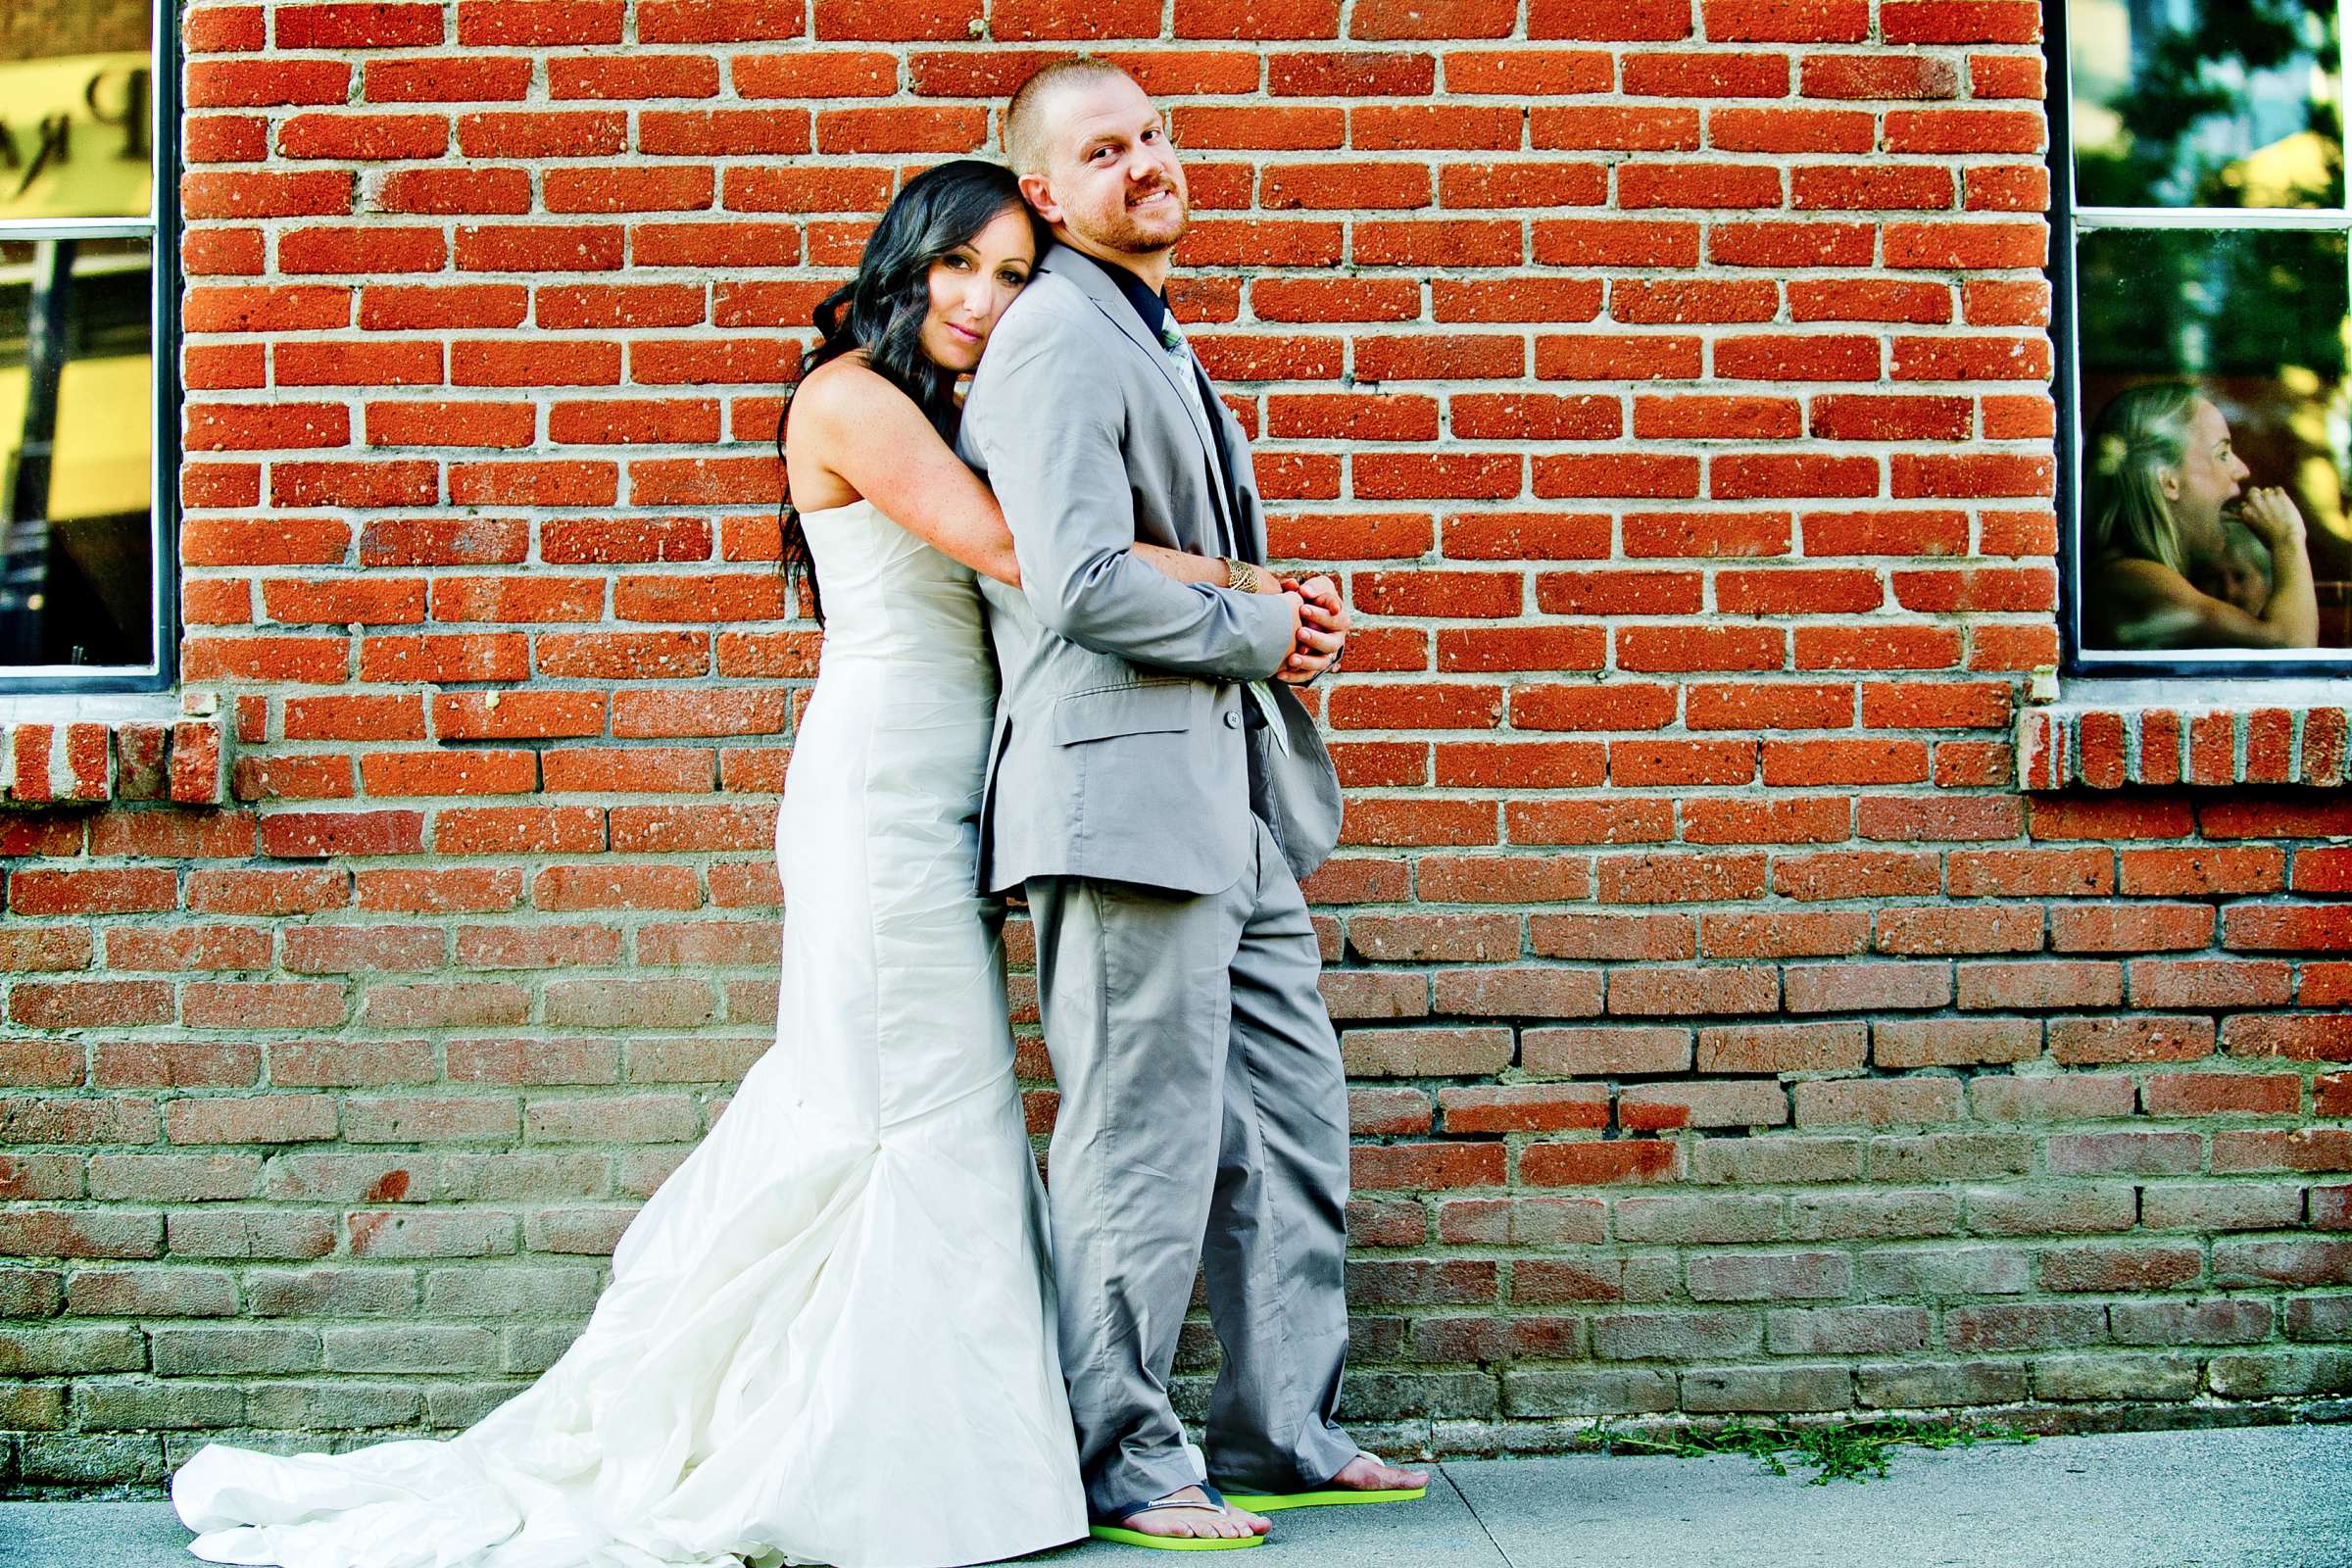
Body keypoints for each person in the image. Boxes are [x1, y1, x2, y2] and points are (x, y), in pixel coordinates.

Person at [170, 158, 1257, 1568]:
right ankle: (853, 1466)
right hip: (876, 799)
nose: (983, 300)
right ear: (903, 262)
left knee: (928, 1111)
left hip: (941, 800)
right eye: (959, 266)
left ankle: (931, 1457)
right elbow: (1027, 550)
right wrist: (1241, 585)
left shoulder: (945, 404)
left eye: (1012, 276)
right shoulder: (850, 399)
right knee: (904, 1111)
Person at [954, 57, 1429, 1551]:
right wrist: (1261, 631)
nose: (1148, 161)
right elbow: (1077, 578)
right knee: (1137, 1142)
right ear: (1045, 191)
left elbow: (1172, 561)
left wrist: (1276, 606)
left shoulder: (1150, 332)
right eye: (1106, 149)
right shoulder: (1056, 343)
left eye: (1154, 134)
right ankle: (1128, 1458)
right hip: (1116, 804)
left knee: (1288, 1118)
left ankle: (1282, 1430)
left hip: (1226, 802)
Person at [2082, 382, 2320, 650]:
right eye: (2222, 454)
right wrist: (2288, 539)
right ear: (2169, 480)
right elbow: (2290, 646)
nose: (2242, 469)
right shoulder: (2130, 577)